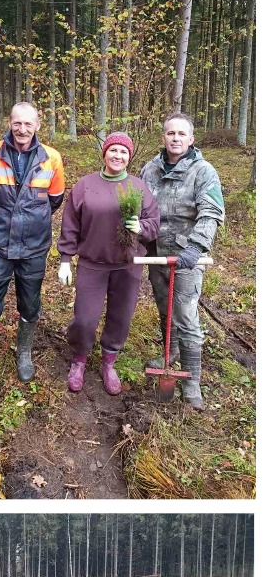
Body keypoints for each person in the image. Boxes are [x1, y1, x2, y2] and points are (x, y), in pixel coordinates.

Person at [0, 102, 66, 387]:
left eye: (28, 124)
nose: (22, 129)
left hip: (34, 246)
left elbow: (55, 200)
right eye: (17, 123)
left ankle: (24, 353)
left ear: (37, 125)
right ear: (10, 122)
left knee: (30, 303)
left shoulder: (51, 158)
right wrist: (1, 220)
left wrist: (30, 220)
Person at [57, 133, 160, 394]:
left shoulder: (138, 187)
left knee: (120, 317)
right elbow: (70, 225)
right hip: (92, 263)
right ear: (104, 153)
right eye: (113, 150)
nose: (118, 156)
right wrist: (66, 259)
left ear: (129, 157)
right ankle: (79, 359)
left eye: (123, 152)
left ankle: (109, 362)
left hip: (127, 265)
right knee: (84, 319)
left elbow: (154, 223)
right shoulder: (85, 185)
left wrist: (141, 227)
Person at [140, 113, 225, 410]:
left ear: (190, 139)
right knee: (165, 308)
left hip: (186, 258)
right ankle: (171, 351)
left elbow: (211, 212)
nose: (175, 138)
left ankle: (192, 380)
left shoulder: (203, 171)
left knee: (186, 316)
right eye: (170, 133)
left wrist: (195, 248)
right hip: (156, 254)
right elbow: (140, 207)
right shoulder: (150, 169)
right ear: (163, 137)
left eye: (181, 134)